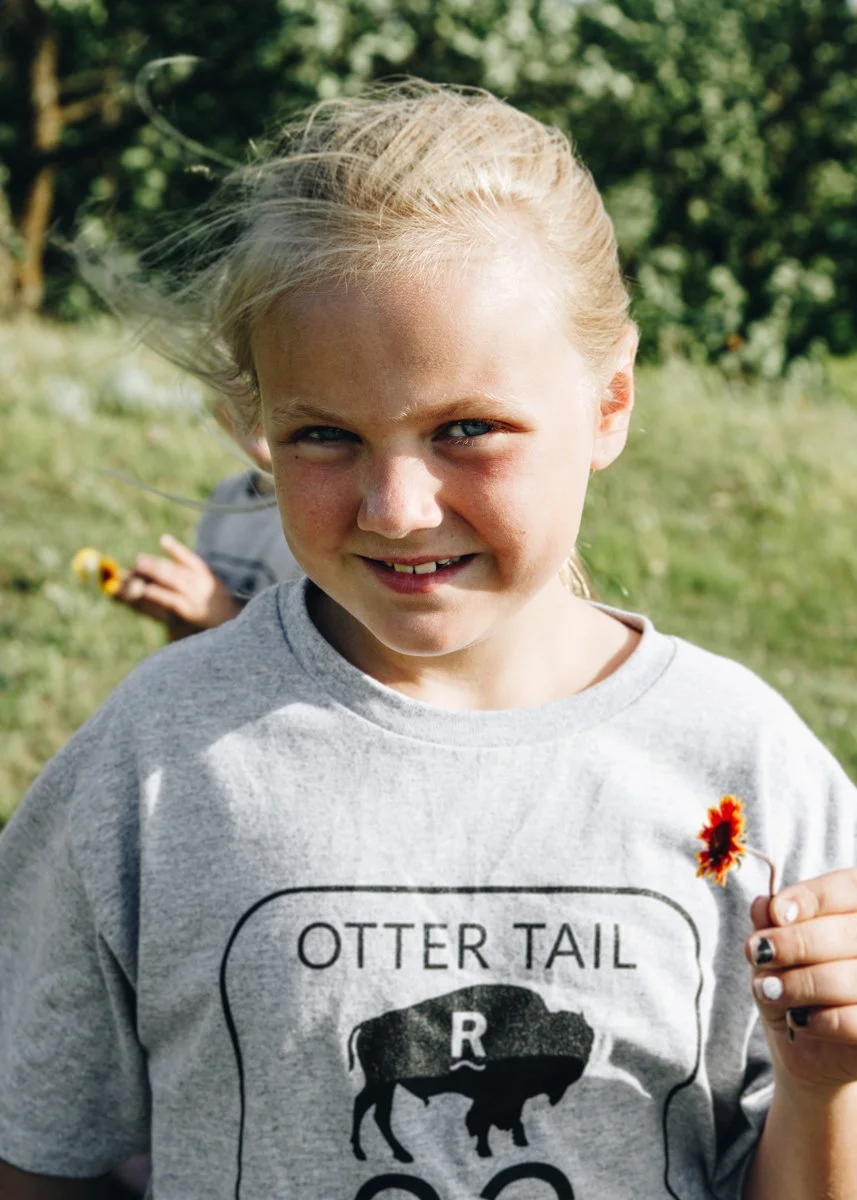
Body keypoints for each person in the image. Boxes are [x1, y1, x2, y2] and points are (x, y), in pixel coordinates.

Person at [0, 82, 855, 1200]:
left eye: (467, 428)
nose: (397, 506)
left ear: (609, 402)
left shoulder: (739, 776)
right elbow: (39, 1157)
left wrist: (823, 1085)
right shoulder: (156, 762)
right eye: (322, 435)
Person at [115, 424, 303, 640]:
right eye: (236, 396)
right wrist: (178, 611)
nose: (251, 412)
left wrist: (223, 615)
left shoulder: (320, 516)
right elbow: (192, 644)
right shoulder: (225, 496)